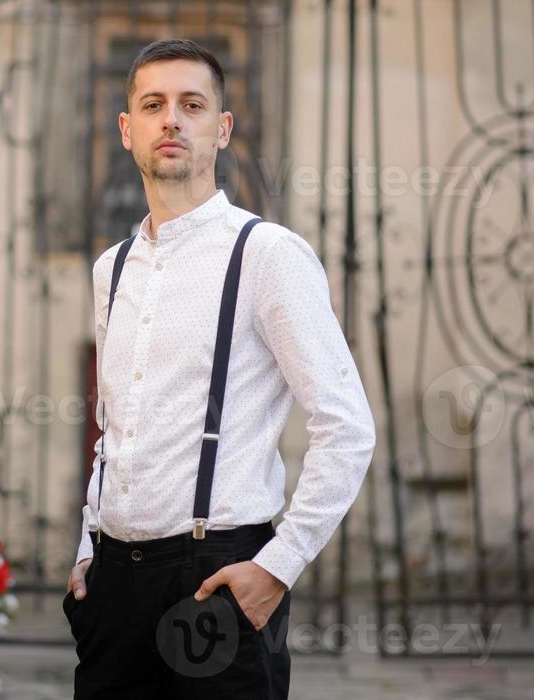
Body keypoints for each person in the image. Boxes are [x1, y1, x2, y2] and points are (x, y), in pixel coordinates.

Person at [62, 39, 376, 699]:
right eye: (153, 105)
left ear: (222, 128)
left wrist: (277, 568)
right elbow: (110, 424)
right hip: (114, 586)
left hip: (218, 577)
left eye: (192, 104)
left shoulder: (267, 255)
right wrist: (88, 549)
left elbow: (346, 426)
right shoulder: (111, 268)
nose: (171, 120)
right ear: (128, 130)